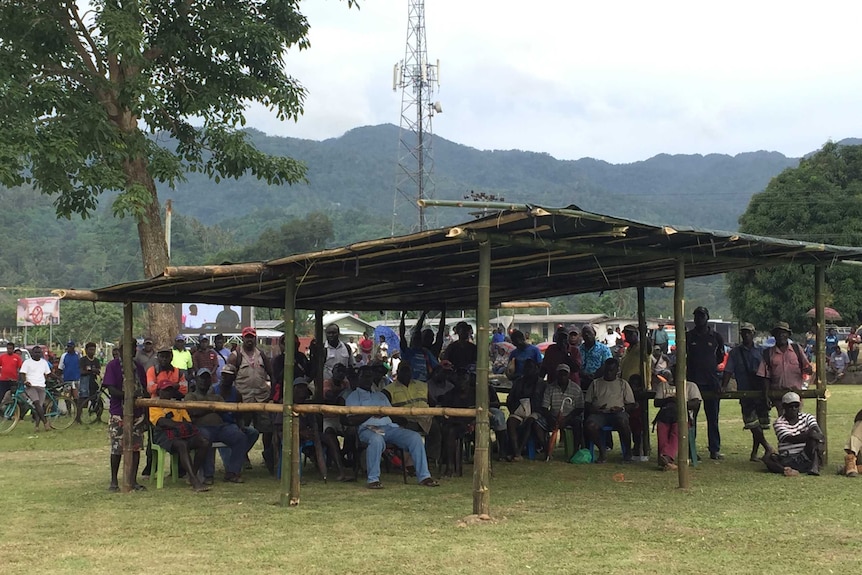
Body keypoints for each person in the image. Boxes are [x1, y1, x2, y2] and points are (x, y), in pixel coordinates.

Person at [344, 365, 439, 489]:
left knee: (414, 437)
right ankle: (373, 479)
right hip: (367, 429)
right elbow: (350, 420)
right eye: (365, 376)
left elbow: (392, 414)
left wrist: (399, 417)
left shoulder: (380, 395)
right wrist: (371, 413)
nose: (368, 379)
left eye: (370, 376)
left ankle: (424, 476)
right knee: (376, 439)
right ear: (359, 378)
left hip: (389, 427)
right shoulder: (353, 396)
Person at [184, 368, 248, 484]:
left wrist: (205, 408)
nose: (204, 381)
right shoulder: (191, 396)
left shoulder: (216, 397)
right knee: (205, 439)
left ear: (210, 381)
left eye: (207, 378)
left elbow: (224, 410)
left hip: (221, 427)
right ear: (196, 380)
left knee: (240, 437)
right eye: (201, 378)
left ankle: (232, 472)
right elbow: (193, 412)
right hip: (201, 427)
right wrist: (212, 409)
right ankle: (208, 475)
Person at [721, 322, 773, 461]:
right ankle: (767, 447)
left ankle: (754, 453)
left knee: (760, 423)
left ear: (753, 334)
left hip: (760, 390)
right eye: (743, 332)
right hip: (745, 390)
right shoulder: (735, 352)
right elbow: (728, 370)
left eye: (748, 332)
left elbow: (768, 370)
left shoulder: (762, 351)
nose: (746, 335)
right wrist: (724, 386)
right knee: (751, 422)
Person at [148, 378, 211, 492]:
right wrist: (179, 425)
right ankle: (194, 480)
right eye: (165, 390)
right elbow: (161, 422)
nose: (168, 393)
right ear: (159, 391)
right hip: (163, 435)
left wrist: (180, 425)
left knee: (204, 442)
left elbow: (187, 420)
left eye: (170, 390)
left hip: (180, 433)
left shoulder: (176, 404)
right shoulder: (154, 404)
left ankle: (193, 473)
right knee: (182, 445)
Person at [228, 326, 275, 473]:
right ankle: (243, 456)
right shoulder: (236, 355)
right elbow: (228, 377)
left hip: (261, 398)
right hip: (243, 398)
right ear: (243, 338)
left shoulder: (262, 354)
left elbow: (272, 374)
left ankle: (268, 456)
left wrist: (273, 393)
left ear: (255, 338)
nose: (249, 339)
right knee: (243, 428)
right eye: (247, 337)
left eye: (252, 337)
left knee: (267, 429)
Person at [102, 344, 148, 492]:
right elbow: (111, 390)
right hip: (118, 412)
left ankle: (133, 480)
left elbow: (144, 389)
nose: (132, 350)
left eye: (134, 347)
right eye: (130, 347)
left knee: (136, 448)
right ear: (121, 350)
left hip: (137, 412)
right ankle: (114, 481)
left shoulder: (138, 367)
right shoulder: (113, 366)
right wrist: (128, 395)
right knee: (117, 448)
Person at [686, 306, 725, 460]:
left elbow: (720, 358)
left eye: (701, 316)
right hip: (693, 383)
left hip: (711, 382)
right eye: (696, 316)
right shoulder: (688, 336)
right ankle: (691, 450)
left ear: (707, 318)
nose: (698, 319)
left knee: (713, 418)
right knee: (691, 419)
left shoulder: (716, 337)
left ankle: (714, 450)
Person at [383, 362, 442, 466]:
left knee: (436, 427)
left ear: (412, 372)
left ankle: (431, 458)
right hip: (404, 419)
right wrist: (396, 418)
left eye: (408, 370)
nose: (406, 373)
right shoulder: (388, 390)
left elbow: (433, 402)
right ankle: (409, 463)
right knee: (408, 433)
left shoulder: (422, 385)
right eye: (403, 370)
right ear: (397, 372)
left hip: (425, 418)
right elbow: (386, 410)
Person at [584, 357, 636, 463]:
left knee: (623, 422)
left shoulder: (623, 384)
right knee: (590, 425)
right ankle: (602, 451)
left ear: (617, 370)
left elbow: (631, 404)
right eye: (607, 370)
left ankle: (627, 453)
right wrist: (595, 409)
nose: (608, 373)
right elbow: (587, 403)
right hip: (600, 414)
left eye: (612, 370)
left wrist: (621, 409)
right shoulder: (596, 383)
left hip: (618, 413)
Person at [652, 366, 702, 471]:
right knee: (662, 432)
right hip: (665, 415)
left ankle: (666, 457)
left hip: (683, 416)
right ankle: (667, 460)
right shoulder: (663, 385)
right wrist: (670, 400)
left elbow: (696, 403)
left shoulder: (691, 386)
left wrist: (679, 402)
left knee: (677, 431)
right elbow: (656, 402)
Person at [763, 392, 824, 476]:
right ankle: (786, 470)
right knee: (767, 457)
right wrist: (809, 434)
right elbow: (791, 439)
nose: (794, 408)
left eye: (796, 406)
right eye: (790, 406)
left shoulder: (807, 417)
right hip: (788, 458)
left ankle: (814, 467)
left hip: (805, 455)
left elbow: (818, 432)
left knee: (813, 438)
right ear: (784, 406)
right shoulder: (779, 423)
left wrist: (816, 438)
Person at [756, 322, 812, 412]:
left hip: (796, 393)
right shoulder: (768, 353)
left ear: (788, 335)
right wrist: (766, 395)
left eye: (783, 333)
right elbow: (765, 376)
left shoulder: (796, 349)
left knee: (796, 421)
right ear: (774, 335)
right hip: (779, 395)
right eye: (778, 333)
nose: (781, 335)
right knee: (783, 421)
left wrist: (809, 370)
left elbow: (807, 368)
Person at [533, 363, 584, 460]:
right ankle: (546, 449)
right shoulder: (550, 388)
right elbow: (544, 407)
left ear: (568, 375)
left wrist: (567, 418)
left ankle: (575, 451)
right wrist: (551, 418)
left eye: (565, 374)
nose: (562, 377)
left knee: (578, 423)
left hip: (570, 417)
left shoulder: (576, 388)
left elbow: (580, 408)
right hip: (553, 417)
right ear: (557, 375)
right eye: (560, 374)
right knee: (536, 424)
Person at [504, 359, 545, 461]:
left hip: (536, 411)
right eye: (526, 368)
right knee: (511, 422)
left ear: (536, 369)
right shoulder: (518, 382)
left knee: (530, 422)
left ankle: (519, 452)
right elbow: (510, 398)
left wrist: (538, 410)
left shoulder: (542, 384)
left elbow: (545, 402)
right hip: (519, 410)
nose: (529, 371)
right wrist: (514, 409)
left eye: (531, 368)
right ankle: (515, 451)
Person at [18, 345, 53, 432]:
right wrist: (25, 381)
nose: (37, 354)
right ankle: (45, 423)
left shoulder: (44, 363)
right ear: (32, 353)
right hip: (30, 387)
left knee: (39, 408)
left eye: (39, 352)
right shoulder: (27, 362)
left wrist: (58, 378)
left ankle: (37, 427)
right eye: (36, 352)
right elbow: (22, 373)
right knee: (37, 403)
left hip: (41, 386)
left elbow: (48, 373)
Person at [578, 324, 612, 391]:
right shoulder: (578, 350)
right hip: (582, 382)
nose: (587, 335)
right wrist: (583, 374)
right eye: (584, 333)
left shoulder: (604, 349)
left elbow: (608, 365)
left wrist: (596, 375)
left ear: (595, 334)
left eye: (589, 332)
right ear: (582, 336)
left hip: (599, 382)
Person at [78, 342, 101, 423]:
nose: (92, 351)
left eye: (94, 350)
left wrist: (91, 370)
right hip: (84, 382)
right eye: (90, 349)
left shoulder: (96, 360)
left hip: (93, 382)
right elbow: (81, 371)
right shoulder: (82, 360)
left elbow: (98, 371)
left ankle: (98, 417)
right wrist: (92, 370)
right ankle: (78, 418)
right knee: (82, 400)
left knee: (96, 400)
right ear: (86, 350)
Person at [57, 341, 81, 416]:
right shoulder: (64, 356)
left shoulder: (78, 355)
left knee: (76, 397)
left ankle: (77, 412)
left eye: (70, 346)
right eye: (67, 346)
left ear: (74, 347)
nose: (68, 348)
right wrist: (59, 378)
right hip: (67, 380)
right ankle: (69, 412)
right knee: (67, 397)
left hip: (76, 380)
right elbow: (60, 368)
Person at [0, 341, 23, 406]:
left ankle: (12, 409)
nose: (9, 350)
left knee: (12, 395)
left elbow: (21, 368)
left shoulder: (17, 358)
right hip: (3, 380)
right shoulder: (2, 357)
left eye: (10, 348)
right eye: (8, 348)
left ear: (13, 349)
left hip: (13, 380)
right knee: (2, 394)